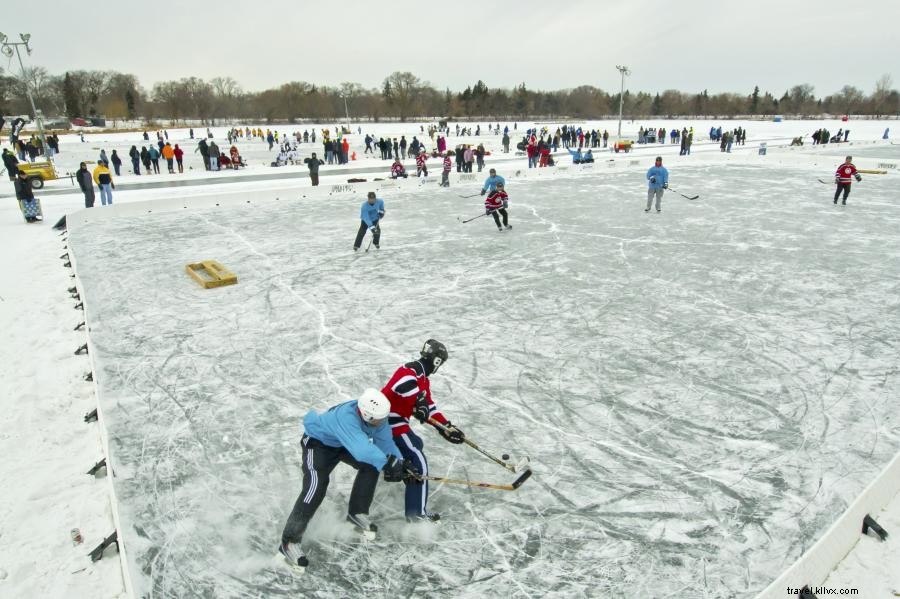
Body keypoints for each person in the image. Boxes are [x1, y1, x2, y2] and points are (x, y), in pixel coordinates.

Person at [278, 389, 409, 571]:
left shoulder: (378, 417)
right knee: (315, 487)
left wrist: (401, 463)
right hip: (318, 445)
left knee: (371, 466)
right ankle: (288, 543)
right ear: (366, 415)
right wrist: (388, 463)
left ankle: (356, 514)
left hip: (341, 444)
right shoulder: (346, 417)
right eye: (379, 420)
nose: (382, 422)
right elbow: (362, 450)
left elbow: (385, 443)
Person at [381, 340, 463, 522]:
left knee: (417, 443)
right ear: (436, 361)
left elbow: (430, 408)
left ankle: (407, 479)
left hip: (398, 423)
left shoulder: (424, 380)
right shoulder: (411, 370)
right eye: (440, 362)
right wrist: (419, 400)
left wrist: (447, 427)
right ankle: (416, 515)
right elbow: (402, 385)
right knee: (419, 462)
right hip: (388, 424)